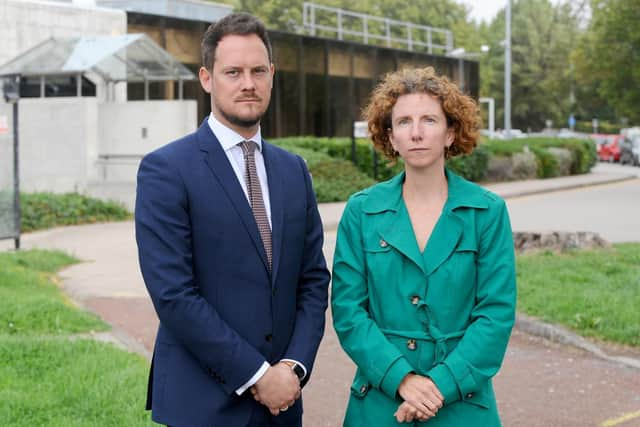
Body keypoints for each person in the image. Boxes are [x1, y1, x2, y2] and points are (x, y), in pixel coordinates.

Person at [135, 12, 330, 427]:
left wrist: (293, 367)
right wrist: (259, 376)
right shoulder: (166, 169)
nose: (248, 83)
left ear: (272, 75)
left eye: (259, 71)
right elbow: (173, 295)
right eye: (233, 72)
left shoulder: (294, 170)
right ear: (207, 78)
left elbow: (312, 280)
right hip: (202, 405)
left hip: (282, 405)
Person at [331, 67, 516, 426]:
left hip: (462, 403)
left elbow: (495, 314)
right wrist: (402, 379)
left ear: (450, 133)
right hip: (381, 401)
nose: (416, 132)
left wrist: (438, 386)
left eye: (429, 120)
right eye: (403, 122)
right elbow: (348, 310)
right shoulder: (361, 211)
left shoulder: (487, 212)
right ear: (391, 137)